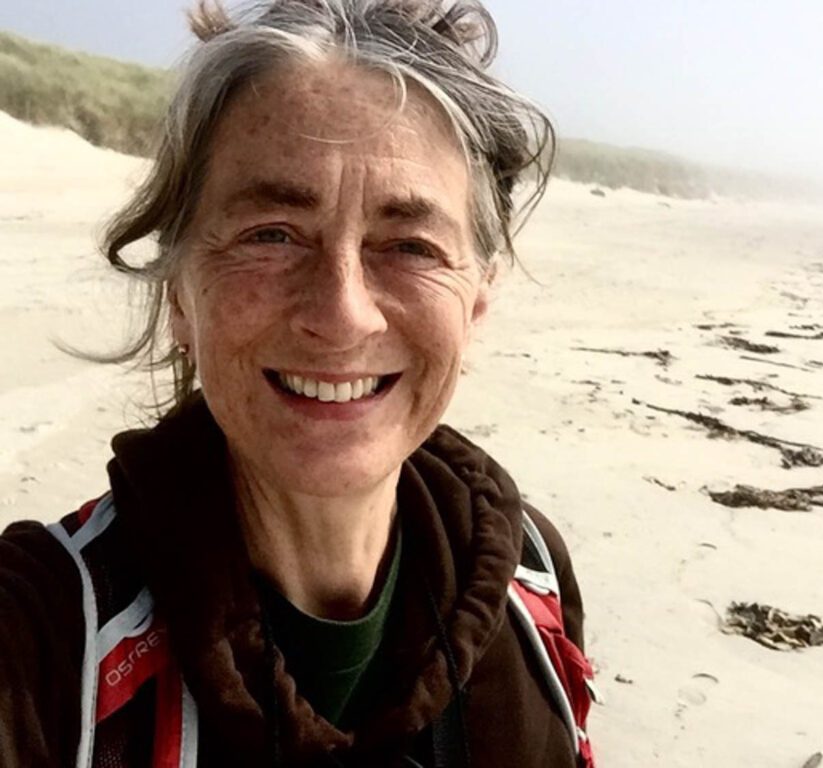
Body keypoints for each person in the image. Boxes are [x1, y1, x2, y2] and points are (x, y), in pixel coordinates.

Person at [0, 1, 595, 766]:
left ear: (477, 299)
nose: (342, 315)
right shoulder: (40, 645)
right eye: (272, 235)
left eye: (409, 245)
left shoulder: (529, 575)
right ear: (179, 293)